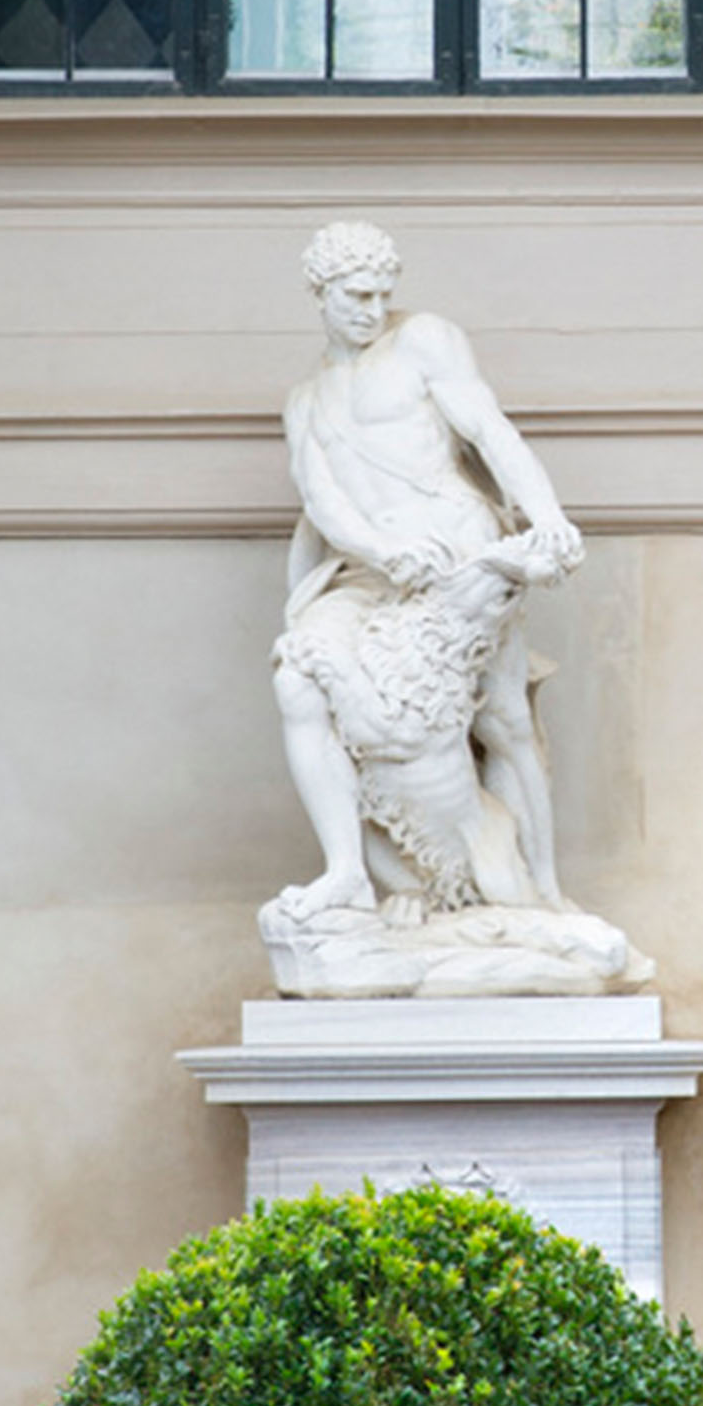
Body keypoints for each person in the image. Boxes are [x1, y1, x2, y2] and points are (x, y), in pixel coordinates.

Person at [270, 219, 586, 927]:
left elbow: (490, 431)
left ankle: (544, 889)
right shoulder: (306, 402)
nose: (373, 309)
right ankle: (348, 874)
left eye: (383, 294)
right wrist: (383, 550)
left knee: (502, 718)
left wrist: (546, 517)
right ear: (321, 292)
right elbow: (323, 502)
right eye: (356, 295)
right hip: (371, 571)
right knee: (297, 678)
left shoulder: (423, 341)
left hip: (459, 551)